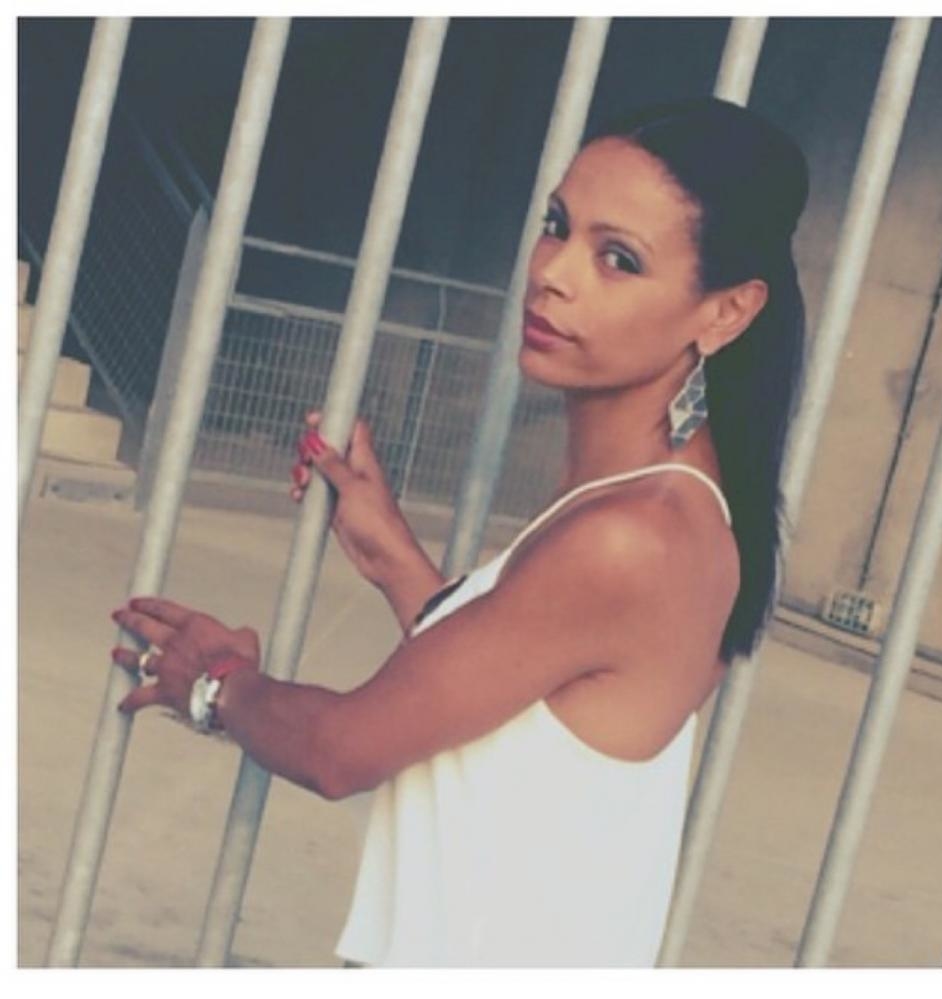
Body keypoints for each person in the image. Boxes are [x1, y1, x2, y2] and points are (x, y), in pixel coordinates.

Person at [111, 96, 809, 967]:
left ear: (725, 312)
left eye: (618, 259)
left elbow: (340, 750)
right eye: (556, 226)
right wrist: (388, 551)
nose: (553, 273)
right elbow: (523, 693)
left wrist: (216, 685)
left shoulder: (633, 536)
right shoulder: (666, 509)